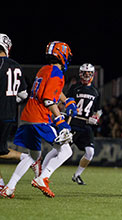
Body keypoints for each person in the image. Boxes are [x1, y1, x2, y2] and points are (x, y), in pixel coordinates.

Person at [0, 41, 77, 199]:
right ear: (62, 55)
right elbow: (49, 99)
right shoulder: (58, 73)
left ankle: (9, 188)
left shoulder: (45, 69)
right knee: (67, 150)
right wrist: (60, 120)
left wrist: (66, 99)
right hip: (40, 118)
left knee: (33, 156)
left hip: (27, 117)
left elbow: (50, 89)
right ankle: (43, 178)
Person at [0, 33, 30, 190]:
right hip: (10, 115)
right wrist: (10, 102)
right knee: (1, 150)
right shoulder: (16, 65)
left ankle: (27, 159)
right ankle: (26, 158)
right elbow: (23, 94)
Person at [65, 63, 102, 185]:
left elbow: (98, 110)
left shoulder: (96, 91)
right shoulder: (74, 88)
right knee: (61, 151)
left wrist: (96, 117)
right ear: (80, 74)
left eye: (89, 74)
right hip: (73, 124)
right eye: (84, 73)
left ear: (92, 75)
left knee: (90, 152)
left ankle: (77, 175)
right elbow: (66, 104)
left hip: (86, 127)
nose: (86, 76)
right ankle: (44, 171)